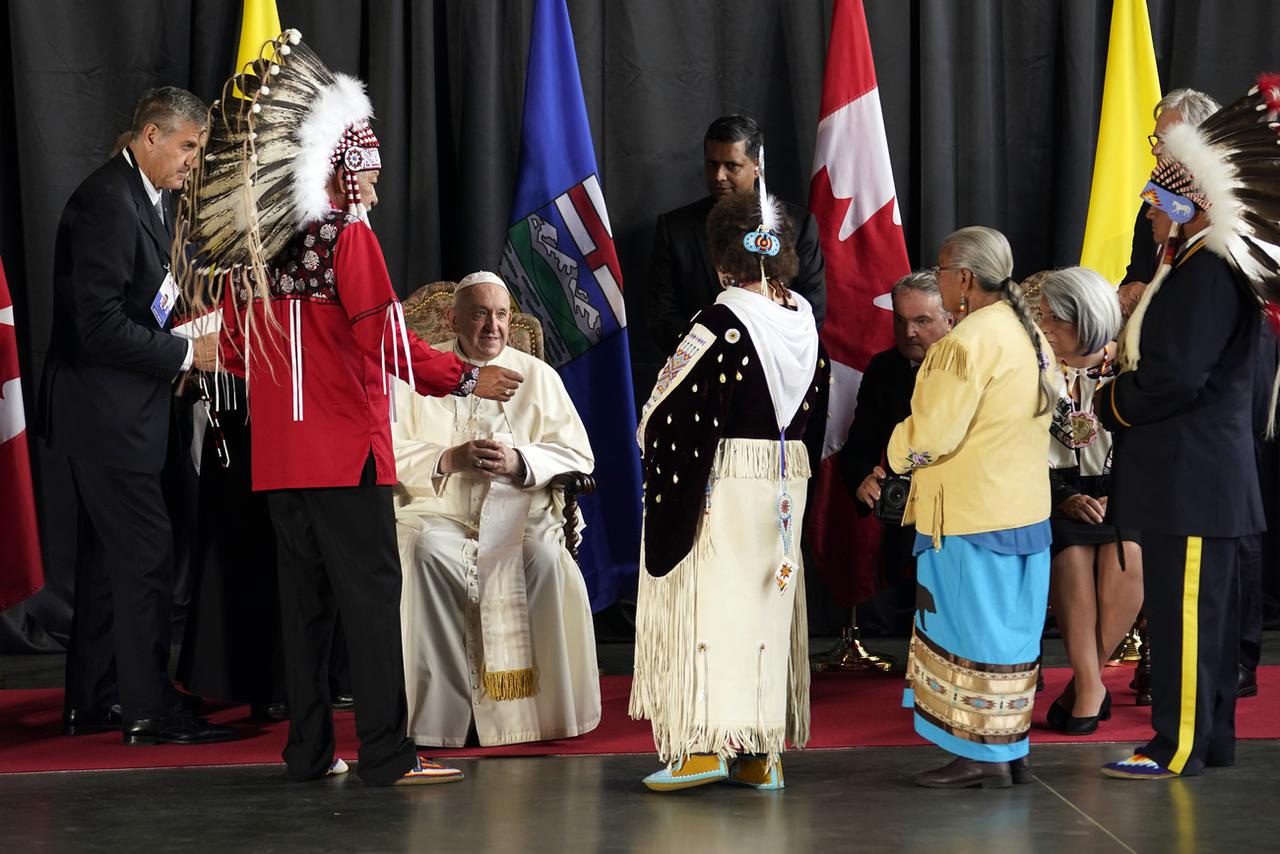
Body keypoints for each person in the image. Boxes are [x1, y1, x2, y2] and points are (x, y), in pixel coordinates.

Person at [175, 32, 522, 786]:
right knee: (369, 604)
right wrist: (462, 378)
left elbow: (230, 351)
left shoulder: (259, 251)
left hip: (281, 462)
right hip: (345, 454)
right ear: (347, 165)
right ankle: (388, 755)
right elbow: (385, 335)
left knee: (305, 612)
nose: (376, 179)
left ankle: (307, 752)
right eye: (369, 164)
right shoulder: (346, 237)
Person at [36, 86, 236, 746]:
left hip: (128, 411)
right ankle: (151, 713)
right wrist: (186, 354)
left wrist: (179, 347)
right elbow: (94, 327)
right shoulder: (108, 203)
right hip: (104, 416)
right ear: (149, 136)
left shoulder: (145, 199)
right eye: (187, 147)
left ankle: (94, 703)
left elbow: (140, 303)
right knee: (147, 557)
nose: (193, 162)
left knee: (104, 562)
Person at [1095, 77, 1279, 778]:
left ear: (1189, 200)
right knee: (1193, 620)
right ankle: (1208, 742)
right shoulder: (1201, 263)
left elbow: (1177, 377)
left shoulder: (1207, 272)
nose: (1147, 208)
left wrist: (1113, 402)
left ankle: (1175, 747)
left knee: (1188, 622)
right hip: (1194, 480)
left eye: (1157, 196)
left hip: (1193, 482)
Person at [630, 188, 828, 792]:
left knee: (710, 607)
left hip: (723, 484)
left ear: (721, 262)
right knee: (765, 612)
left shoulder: (720, 322)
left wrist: (649, 444)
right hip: (783, 483)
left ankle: (702, 747)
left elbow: (672, 414)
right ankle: (760, 754)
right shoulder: (802, 318)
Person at [391, 271, 601, 747]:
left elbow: (578, 455)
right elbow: (388, 447)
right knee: (426, 553)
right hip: (439, 513)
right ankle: (443, 719)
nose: (493, 326)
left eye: (502, 314)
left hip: (520, 515)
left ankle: (537, 715)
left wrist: (521, 461)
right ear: (452, 318)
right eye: (480, 313)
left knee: (544, 559)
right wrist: (450, 458)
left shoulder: (538, 376)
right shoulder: (419, 369)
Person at [889, 226, 1059, 790]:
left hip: (969, 516)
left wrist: (894, 452)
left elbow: (930, 436)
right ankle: (1008, 747)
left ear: (963, 278)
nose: (936, 278)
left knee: (972, 636)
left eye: (940, 269)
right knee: (1010, 636)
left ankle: (977, 753)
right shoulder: (1028, 331)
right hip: (1024, 513)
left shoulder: (964, 344)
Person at [1036, 267, 1138, 735]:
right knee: (1072, 551)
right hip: (1054, 493)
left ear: (1087, 320)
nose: (1045, 329)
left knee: (1128, 553)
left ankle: (1086, 684)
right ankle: (1092, 687)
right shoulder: (1034, 368)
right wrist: (1064, 498)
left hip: (1125, 491)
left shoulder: (1129, 365)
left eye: (1054, 320)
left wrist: (1113, 498)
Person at [646, 115, 825, 355]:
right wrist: (711, 356)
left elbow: (811, 305)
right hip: (700, 372)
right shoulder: (674, 228)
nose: (718, 176)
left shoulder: (798, 225)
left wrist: (759, 357)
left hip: (775, 367)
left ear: (756, 166)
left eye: (732, 166)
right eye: (711, 164)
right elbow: (662, 315)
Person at [843, 270, 952, 635]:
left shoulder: (973, 365)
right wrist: (862, 480)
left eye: (922, 321)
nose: (909, 333)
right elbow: (858, 446)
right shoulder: (884, 368)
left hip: (966, 515)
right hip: (907, 522)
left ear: (950, 318)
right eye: (901, 321)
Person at [1116, 88, 1220, 316]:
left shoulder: (1229, 216)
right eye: (1155, 139)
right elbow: (1136, 275)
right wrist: (1125, 293)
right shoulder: (1154, 200)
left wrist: (1153, 296)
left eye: (1165, 141)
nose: (1155, 150)